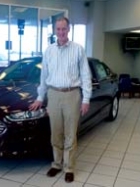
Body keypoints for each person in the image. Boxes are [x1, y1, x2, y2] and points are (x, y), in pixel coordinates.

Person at [29, 16, 92, 183]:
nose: (61, 32)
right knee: (56, 133)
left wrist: (86, 99)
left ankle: (69, 167)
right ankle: (56, 164)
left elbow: (86, 75)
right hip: (54, 94)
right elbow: (44, 76)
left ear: (69, 29)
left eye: (64, 29)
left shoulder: (78, 49)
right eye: (58, 29)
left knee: (70, 133)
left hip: (72, 95)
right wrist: (40, 97)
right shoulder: (49, 51)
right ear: (54, 30)